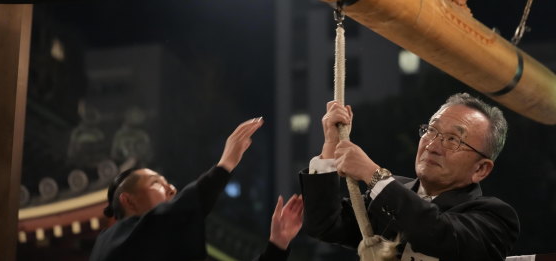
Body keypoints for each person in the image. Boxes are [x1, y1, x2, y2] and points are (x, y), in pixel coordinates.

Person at [299, 93, 520, 260]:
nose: (432, 145)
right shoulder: (390, 192)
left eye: (453, 140)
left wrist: (374, 175)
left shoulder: (495, 218)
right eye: (431, 130)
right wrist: (330, 146)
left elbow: (438, 233)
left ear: (481, 169)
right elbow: (324, 225)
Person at [90, 116, 303, 261]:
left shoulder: (165, 244)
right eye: (156, 183)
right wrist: (224, 166)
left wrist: (277, 244)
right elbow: (171, 216)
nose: (172, 189)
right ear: (128, 200)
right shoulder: (112, 243)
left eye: (169, 183)